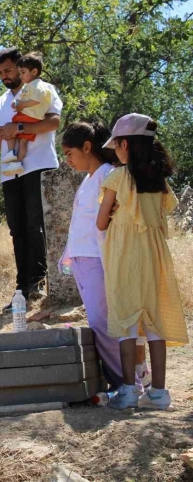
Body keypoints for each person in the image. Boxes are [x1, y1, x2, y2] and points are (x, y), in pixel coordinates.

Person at [96, 113, 189, 409]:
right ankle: (159, 393)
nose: (115, 151)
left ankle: (128, 391)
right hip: (154, 257)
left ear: (125, 144)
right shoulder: (159, 182)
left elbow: (100, 223)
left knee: (125, 320)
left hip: (125, 257)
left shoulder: (117, 177)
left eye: (116, 146)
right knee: (154, 324)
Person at [59, 121, 137, 392]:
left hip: (98, 259)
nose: (67, 160)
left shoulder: (107, 174)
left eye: (70, 153)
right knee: (101, 324)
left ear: (87, 147)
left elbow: (110, 222)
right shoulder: (89, 179)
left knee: (105, 326)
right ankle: (127, 381)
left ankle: (128, 384)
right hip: (83, 260)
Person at [0, 48, 62, 311]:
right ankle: (22, 286)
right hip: (10, 172)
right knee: (17, 229)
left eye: (8, 70)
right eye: (0, 73)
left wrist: (19, 128)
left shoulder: (42, 89)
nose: (4, 76)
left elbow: (53, 122)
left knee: (35, 225)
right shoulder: (0, 102)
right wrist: (2, 134)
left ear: (22, 68)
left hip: (38, 166)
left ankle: (40, 282)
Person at [2, 52, 53, 175]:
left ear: (34, 72)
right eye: (20, 73)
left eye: (23, 72)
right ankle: (18, 162)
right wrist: (18, 104)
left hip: (29, 117)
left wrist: (22, 105)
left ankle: (11, 153)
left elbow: (37, 99)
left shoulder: (37, 85)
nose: (21, 76)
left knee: (9, 128)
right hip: (30, 116)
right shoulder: (30, 85)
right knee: (23, 141)